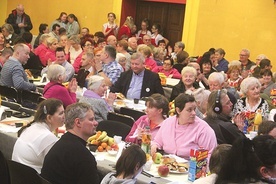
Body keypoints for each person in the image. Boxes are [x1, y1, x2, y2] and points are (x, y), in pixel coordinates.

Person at [41, 103, 100, 184]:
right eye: (91, 119)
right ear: (78, 122)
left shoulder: (60, 144)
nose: (96, 123)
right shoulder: (84, 157)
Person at [151, 93, 217, 160]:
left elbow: (210, 155)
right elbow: (157, 142)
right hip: (167, 164)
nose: (194, 113)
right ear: (178, 110)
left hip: (193, 167)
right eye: (189, 110)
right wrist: (154, 146)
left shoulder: (204, 129)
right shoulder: (167, 123)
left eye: (194, 109)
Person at [12, 99, 64, 173]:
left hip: (17, 176)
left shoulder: (32, 127)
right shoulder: (48, 138)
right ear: (49, 118)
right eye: (61, 113)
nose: (64, 116)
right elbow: (58, 167)